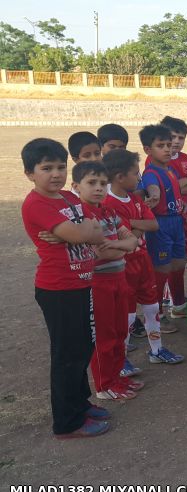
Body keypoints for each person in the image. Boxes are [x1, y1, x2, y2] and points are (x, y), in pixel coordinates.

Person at [21, 138, 109, 438]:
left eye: (61, 167)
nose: (56, 174)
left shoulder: (68, 200)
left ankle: (80, 403)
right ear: (30, 173)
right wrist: (78, 232)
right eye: (46, 168)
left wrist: (76, 234)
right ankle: (67, 422)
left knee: (83, 348)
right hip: (58, 289)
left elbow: (96, 230)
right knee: (66, 355)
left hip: (80, 284)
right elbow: (85, 230)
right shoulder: (37, 203)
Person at [103, 149, 179, 374]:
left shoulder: (134, 199)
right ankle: (122, 358)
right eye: (135, 174)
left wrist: (130, 226)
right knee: (126, 314)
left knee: (152, 306)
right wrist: (133, 228)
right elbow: (122, 235)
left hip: (142, 259)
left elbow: (153, 224)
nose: (139, 178)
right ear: (119, 177)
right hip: (123, 263)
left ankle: (156, 350)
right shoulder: (108, 202)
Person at [71, 161, 141, 400]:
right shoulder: (82, 215)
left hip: (119, 277)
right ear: (76, 186)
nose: (99, 188)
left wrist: (118, 246)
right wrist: (122, 247)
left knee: (121, 331)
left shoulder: (109, 212)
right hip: (98, 282)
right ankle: (104, 385)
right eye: (92, 183)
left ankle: (117, 376)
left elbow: (134, 242)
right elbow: (103, 252)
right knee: (104, 335)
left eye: (103, 183)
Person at [139, 124, 187, 328]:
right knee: (160, 270)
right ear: (148, 150)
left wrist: (184, 205)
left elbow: (175, 192)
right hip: (161, 225)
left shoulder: (169, 170)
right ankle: (156, 315)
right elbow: (153, 189)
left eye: (169, 145)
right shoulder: (151, 172)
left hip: (177, 221)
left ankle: (173, 305)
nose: (168, 149)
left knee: (178, 263)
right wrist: (154, 196)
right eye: (161, 145)